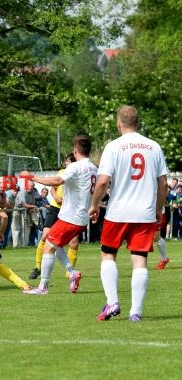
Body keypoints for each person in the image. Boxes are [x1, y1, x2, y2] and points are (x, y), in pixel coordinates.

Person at [88, 105, 168, 322]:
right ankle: (136, 312)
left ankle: (112, 302)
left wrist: (94, 205)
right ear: (138, 123)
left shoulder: (113, 147)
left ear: (118, 123)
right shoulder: (154, 147)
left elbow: (103, 181)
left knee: (108, 255)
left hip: (118, 212)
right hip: (145, 213)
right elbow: (163, 185)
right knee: (139, 260)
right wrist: (159, 210)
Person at [24, 135, 97, 295]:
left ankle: (43, 287)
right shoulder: (93, 167)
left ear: (75, 150)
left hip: (71, 216)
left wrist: (32, 177)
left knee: (48, 247)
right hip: (80, 216)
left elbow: (56, 180)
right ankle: (72, 273)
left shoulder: (76, 167)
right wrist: (94, 207)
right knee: (55, 246)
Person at [29, 153, 76, 280]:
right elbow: (53, 188)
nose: (65, 163)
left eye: (68, 161)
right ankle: (38, 268)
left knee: (73, 243)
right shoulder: (62, 172)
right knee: (45, 236)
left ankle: (70, 272)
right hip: (55, 208)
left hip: (70, 210)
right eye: (65, 161)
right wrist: (56, 197)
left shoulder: (78, 173)